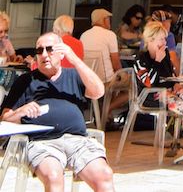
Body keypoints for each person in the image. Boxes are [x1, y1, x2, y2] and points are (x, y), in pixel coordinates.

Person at [1, 30, 114, 192]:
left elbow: (98, 91)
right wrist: (21, 111)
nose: (44, 54)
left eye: (50, 49)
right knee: (54, 176)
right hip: (42, 143)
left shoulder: (74, 75)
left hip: (78, 141)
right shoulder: (25, 81)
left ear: (61, 53)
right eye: (39, 51)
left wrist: (74, 59)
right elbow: (5, 118)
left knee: (104, 174)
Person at [79, 9, 121, 83]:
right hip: (106, 81)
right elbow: (116, 63)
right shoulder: (110, 35)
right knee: (129, 80)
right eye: (108, 19)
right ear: (104, 20)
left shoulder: (84, 35)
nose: (110, 21)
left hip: (87, 80)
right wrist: (121, 75)